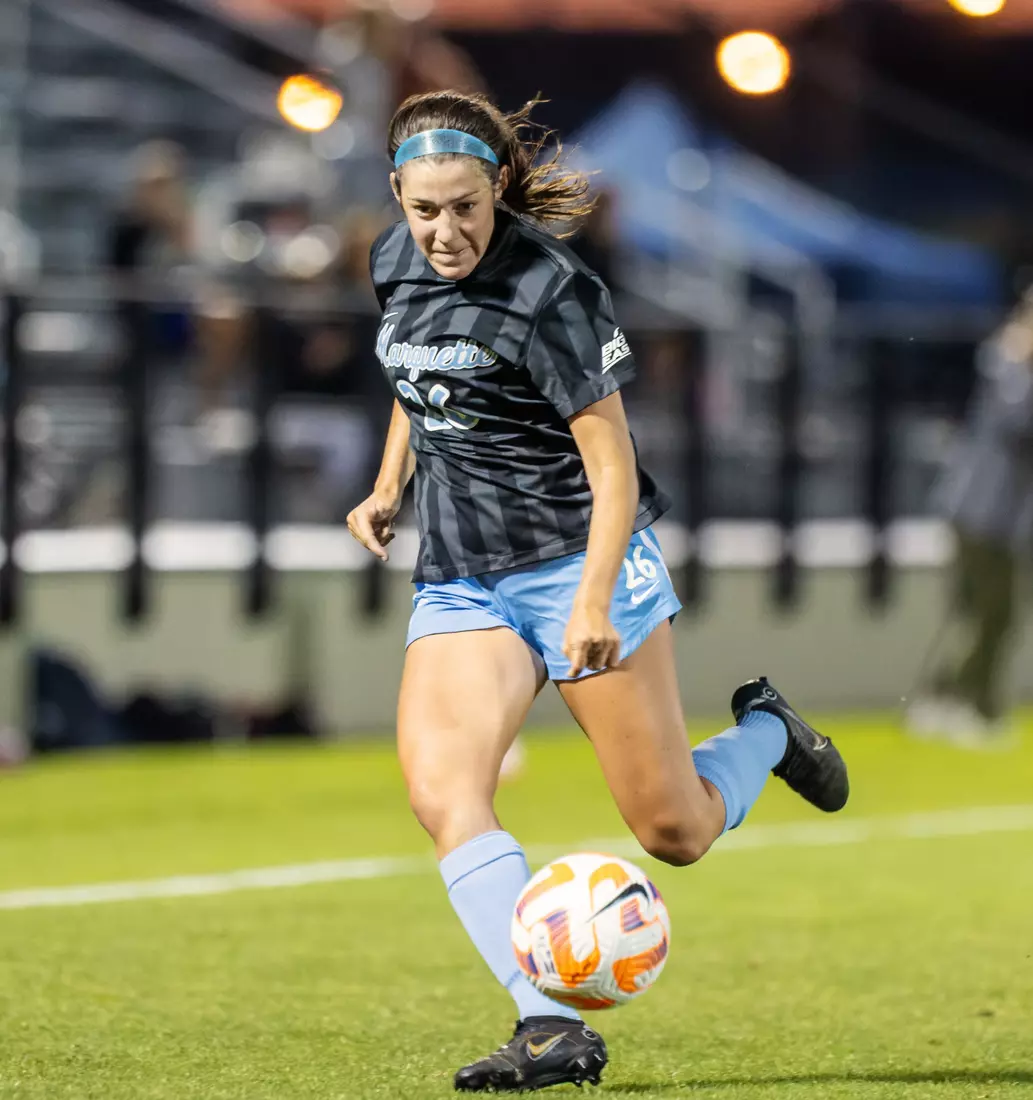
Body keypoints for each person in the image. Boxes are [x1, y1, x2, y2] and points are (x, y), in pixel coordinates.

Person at [346, 90, 850, 1094]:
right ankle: (547, 1024)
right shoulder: (392, 260)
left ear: (495, 186)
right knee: (442, 791)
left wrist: (585, 603)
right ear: (397, 195)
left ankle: (766, 736)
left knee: (675, 828)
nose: (442, 233)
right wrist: (388, 482)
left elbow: (612, 466)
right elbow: (419, 376)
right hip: (461, 573)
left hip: (580, 557)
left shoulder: (551, 286)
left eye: (463, 208)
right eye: (423, 210)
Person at [907, 291, 1033, 747]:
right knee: (986, 612)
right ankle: (957, 701)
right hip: (981, 511)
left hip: (1002, 517)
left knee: (989, 613)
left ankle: (960, 702)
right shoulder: (1007, 364)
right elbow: (1019, 424)